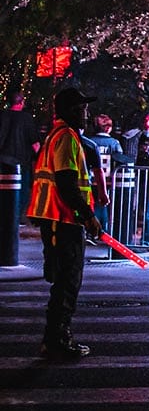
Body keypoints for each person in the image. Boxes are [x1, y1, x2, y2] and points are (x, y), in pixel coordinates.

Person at [28, 87, 104, 359]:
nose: (87, 113)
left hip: (59, 220)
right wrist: (88, 215)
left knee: (63, 280)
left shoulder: (57, 135)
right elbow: (67, 183)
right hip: (63, 220)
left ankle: (55, 338)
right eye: (83, 108)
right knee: (67, 282)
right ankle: (57, 339)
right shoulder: (67, 138)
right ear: (72, 111)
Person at [79, 115, 122, 243]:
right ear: (108, 128)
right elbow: (120, 160)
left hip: (91, 179)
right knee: (104, 206)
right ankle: (102, 232)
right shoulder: (114, 143)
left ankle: (92, 231)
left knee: (93, 205)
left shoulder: (89, 142)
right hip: (109, 180)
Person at [1, 90, 35, 223]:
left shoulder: (2, 115)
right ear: (21, 102)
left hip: (2, 161)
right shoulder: (26, 119)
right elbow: (35, 143)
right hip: (21, 162)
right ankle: (16, 218)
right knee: (21, 193)